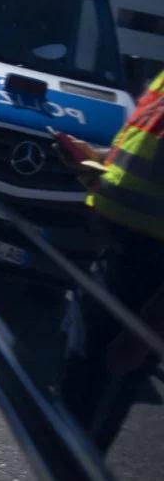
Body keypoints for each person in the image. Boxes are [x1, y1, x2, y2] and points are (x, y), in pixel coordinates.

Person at [58, 67, 164, 450]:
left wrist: (144, 332)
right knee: (71, 409)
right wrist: (94, 158)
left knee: (86, 432)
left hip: (146, 283)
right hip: (111, 261)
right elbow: (133, 161)